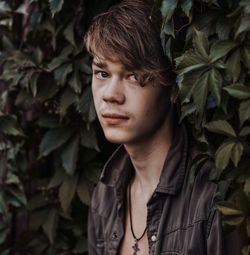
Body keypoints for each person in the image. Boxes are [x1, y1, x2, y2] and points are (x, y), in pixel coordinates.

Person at [84, 0, 242, 254]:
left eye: (135, 76)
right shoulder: (105, 196)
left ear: (171, 84)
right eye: (102, 73)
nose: (110, 95)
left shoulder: (214, 197)